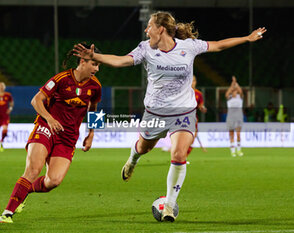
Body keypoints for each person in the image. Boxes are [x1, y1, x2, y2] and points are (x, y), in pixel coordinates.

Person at [73, 11, 266, 222]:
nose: (146, 30)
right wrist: (95, 57)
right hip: (155, 112)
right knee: (143, 147)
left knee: (179, 154)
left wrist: (247, 38)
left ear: (161, 29)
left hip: (184, 111)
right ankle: (133, 158)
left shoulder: (189, 46)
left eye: (149, 26)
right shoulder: (145, 48)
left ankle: (169, 206)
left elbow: (218, 45)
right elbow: (120, 61)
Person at [0, 43, 102, 223]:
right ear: (83, 61)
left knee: (53, 181)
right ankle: (7, 213)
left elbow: (94, 109)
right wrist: (49, 118)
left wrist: (91, 133)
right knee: (33, 170)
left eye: (98, 65)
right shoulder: (61, 79)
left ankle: (25, 191)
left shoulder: (95, 87)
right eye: (94, 64)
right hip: (46, 128)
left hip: (68, 138)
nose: (97, 69)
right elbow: (36, 100)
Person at [161, 75, 207, 153]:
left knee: (192, 139)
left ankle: (181, 155)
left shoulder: (198, 94)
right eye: (191, 81)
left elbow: (200, 105)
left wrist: (202, 108)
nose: (192, 83)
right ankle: (176, 151)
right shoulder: (182, 92)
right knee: (181, 137)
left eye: (194, 81)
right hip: (182, 118)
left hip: (193, 118)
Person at [225, 76, 244, 157]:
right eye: (233, 91)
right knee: (231, 134)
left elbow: (241, 91)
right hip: (230, 117)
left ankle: (239, 150)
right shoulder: (229, 98)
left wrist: (236, 83)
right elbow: (227, 93)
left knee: (238, 134)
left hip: (238, 117)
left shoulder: (240, 98)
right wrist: (232, 85)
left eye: (236, 91)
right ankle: (233, 151)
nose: (235, 92)